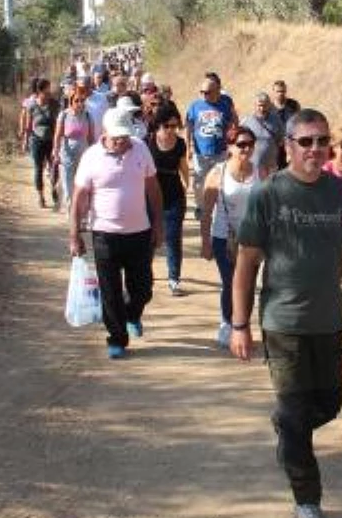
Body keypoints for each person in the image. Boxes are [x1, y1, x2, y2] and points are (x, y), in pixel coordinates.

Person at [229, 109, 342, 518]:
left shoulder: (340, 194)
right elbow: (246, 263)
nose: (315, 149)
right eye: (305, 141)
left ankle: (288, 429)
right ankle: (308, 500)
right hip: (283, 321)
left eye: (321, 141)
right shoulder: (268, 194)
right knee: (295, 412)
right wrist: (239, 323)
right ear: (288, 145)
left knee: (329, 403)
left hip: (329, 321)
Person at [69, 107, 163, 358]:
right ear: (105, 133)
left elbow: (153, 189)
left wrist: (158, 225)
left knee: (143, 288)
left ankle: (132, 314)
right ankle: (117, 338)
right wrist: (74, 235)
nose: (122, 141)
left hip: (139, 233)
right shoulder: (91, 157)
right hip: (104, 234)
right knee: (110, 291)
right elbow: (79, 198)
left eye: (125, 136)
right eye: (117, 137)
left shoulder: (140, 149)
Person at [200, 125, 259, 347]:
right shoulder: (218, 173)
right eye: (241, 144)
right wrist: (206, 242)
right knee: (231, 281)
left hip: (253, 239)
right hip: (224, 237)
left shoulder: (260, 172)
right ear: (230, 147)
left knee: (250, 283)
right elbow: (206, 211)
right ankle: (228, 322)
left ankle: (242, 322)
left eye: (250, 144)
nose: (246, 149)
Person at [147, 102, 190, 296]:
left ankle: (174, 279)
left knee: (173, 238)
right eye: (168, 126)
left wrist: (187, 184)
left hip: (174, 194)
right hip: (151, 194)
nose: (172, 130)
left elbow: (183, 167)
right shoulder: (148, 142)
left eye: (175, 126)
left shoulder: (180, 143)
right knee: (147, 238)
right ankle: (144, 274)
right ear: (159, 125)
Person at [185, 75, 236, 219]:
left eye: (207, 92)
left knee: (220, 180)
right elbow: (188, 126)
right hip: (200, 152)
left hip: (220, 151)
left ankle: (217, 208)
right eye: (201, 92)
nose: (203, 95)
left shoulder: (225, 103)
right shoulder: (195, 105)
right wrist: (188, 146)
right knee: (200, 181)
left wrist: (233, 138)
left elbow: (234, 122)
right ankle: (201, 207)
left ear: (217, 91)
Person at [51, 86, 96, 212]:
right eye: (77, 100)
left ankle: (80, 211)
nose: (80, 103)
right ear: (71, 101)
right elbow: (58, 135)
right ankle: (71, 211)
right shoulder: (64, 115)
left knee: (81, 183)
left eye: (82, 100)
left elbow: (91, 138)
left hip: (83, 154)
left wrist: (94, 155)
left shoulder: (88, 116)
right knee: (68, 183)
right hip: (67, 154)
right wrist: (55, 151)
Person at [19, 78, 61, 208]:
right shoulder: (32, 106)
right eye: (47, 90)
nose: (49, 93)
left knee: (54, 167)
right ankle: (41, 196)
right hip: (36, 140)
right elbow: (28, 126)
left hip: (51, 140)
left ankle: (54, 188)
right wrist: (25, 141)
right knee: (38, 169)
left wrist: (60, 141)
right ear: (40, 91)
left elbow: (60, 122)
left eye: (50, 90)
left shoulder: (54, 104)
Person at [239, 91, 284, 178]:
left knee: (271, 189)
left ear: (269, 105)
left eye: (264, 105)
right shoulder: (247, 121)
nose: (262, 108)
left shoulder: (276, 119)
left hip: (272, 165)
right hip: (253, 166)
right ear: (255, 106)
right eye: (259, 105)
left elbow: (282, 138)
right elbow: (240, 142)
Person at [270, 80, 300, 169]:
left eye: (282, 91)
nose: (280, 94)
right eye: (278, 91)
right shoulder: (269, 108)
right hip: (275, 146)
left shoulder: (293, 105)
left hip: (291, 143)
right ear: (273, 92)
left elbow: (299, 122)